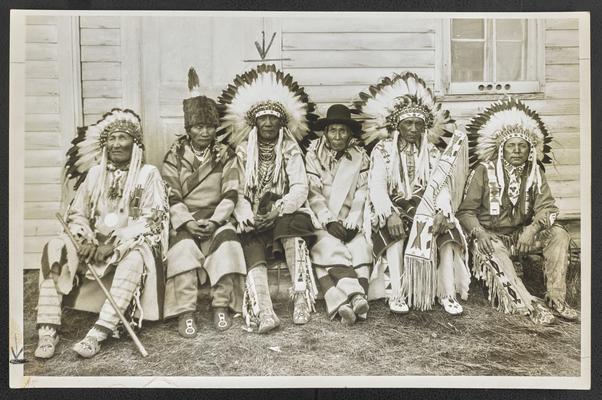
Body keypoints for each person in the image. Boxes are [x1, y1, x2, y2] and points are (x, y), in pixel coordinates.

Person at [34, 108, 169, 359]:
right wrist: (83, 239)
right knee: (55, 246)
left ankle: (100, 331)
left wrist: (117, 242)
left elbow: (154, 218)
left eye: (123, 138)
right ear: (105, 143)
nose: (117, 144)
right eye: (112, 139)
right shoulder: (95, 173)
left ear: (135, 143)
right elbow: (77, 214)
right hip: (93, 242)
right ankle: (47, 328)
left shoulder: (147, 174)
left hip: (128, 243)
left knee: (136, 257)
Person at [356, 72, 471, 315]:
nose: (413, 129)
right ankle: (397, 293)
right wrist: (388, 214)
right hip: (394, 203)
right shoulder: (383, 150)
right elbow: (376, 187)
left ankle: (447, 293)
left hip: (425, 202)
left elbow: (440, 186)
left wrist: (441, 211)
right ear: (397, 125)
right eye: (408, 123)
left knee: (447, 233)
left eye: (419, 124)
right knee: (394, 234)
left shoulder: (430, 151)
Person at [456, 98, 579, 325]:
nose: (517, 150)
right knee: (492, 248)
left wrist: (532, 229)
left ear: (529, 149)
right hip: (489, 238)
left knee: (559, 234)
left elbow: (548, 208)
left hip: (521, 236)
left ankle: (556, 299)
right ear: (502, 149)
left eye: (522, 146)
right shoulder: (483, 171)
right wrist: (480, 233)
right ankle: (529, 304)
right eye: (511, 146)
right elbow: (465, 212)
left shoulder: (534, 173)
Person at [218, 64, 319, 333]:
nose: (268, 123)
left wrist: (278, 209)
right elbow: (237, 190)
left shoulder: (289, 147)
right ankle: (264, 310)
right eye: (263, 118)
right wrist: (246, 215)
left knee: (292, 228)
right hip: (253, 210)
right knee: (249, 238)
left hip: (282, 211)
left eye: (274, 118)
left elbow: (300, 186)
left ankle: (300, 297)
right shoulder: (242, 150)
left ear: (281, 122)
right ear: (255, 122)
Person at [162, 68, 246, 337]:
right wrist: (186, 221)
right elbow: (171, 193)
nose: (205, 132)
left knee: (227, 243)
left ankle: (220, 305)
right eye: (199, 126)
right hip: (185, 217)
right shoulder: (174, 156)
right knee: (183, 249)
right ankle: (185, 312)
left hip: (216, 216)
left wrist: (214, 221)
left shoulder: (226, 155)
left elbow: (231, 192)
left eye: (210, 126)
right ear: (188, 129)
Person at [305, 104, 372, 325]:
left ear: (350, 133)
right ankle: (356, 296)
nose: (337, 136)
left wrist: (354, 219)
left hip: (349, 218)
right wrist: (328, 220)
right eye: (333, 130)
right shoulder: (313, 154)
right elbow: (313, 193)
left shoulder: (359, 156)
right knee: (328, 248)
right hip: (323, 218)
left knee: (360, 249)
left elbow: (363, 191)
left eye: (343, 131)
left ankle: (340, 302)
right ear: (325, 132)